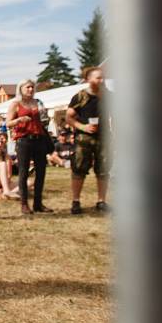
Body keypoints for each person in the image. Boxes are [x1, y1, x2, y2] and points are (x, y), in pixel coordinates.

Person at [66, 67, 110, 214]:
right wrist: (83, 127)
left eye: (103, 77)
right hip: (83, 139)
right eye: (98, 78)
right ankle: (76, 201)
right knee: (79, 169)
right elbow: (68, 117)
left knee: (103, 170)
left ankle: (101, 201)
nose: (102, 80)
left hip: (104, 137)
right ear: (88, 79)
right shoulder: (80, 96)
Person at [6, 79, 52, 215]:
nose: (31, 90)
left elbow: (44, 120)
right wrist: (19, 120)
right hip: (24, 140)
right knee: (23, 172)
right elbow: (8, 123)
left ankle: (38, 203)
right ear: (21, 89)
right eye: (28, 87)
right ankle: (24, 204)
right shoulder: (15, 104)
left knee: (41, 172)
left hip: (39, 139)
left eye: (32, 87)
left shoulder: (38, 102)